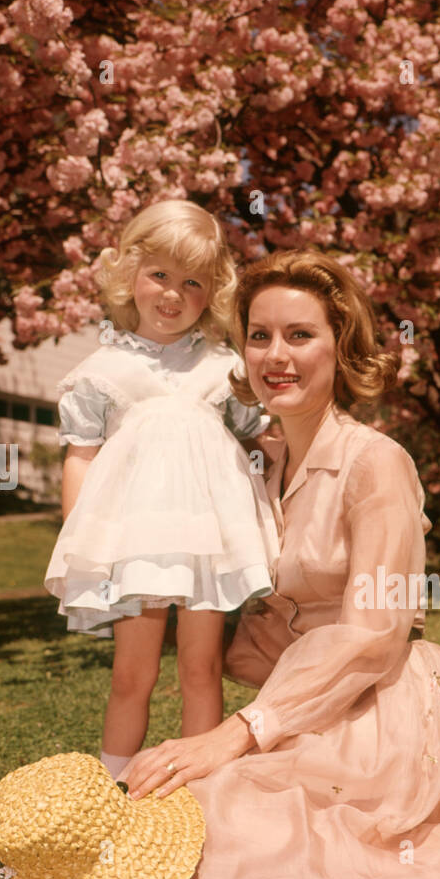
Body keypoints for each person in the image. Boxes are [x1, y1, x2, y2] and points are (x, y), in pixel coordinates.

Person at [121, 249, 440, 879]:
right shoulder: (250, 466)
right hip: (293, 711)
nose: (275, 355)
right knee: (185, 815)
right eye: (259, 336)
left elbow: (374, 634)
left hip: (383, 703)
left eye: (299, 335)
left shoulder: (377, 464)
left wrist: (234, 734)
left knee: (220, 836)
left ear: (340, 349)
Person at [44, 200, 279, 780]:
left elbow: (263, 442)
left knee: (200, 670)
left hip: (206, 543)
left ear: (213, 290)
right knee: (133, 674)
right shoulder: (103, 371)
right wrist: (83, 542)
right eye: (160, 275)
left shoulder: (226, 368)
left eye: (192, 281)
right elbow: (82, 457)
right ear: (130, 275)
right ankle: (113, 789)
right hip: (137, 544)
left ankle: (202, 796)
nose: (173, 294)